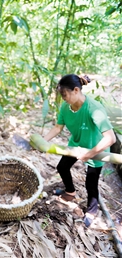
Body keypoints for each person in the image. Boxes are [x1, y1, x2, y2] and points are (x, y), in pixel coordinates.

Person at [43, 74, 115, 227]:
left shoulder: (94, 109)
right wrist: (43, 141)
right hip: (76, 144)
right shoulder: (65, 107)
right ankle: (70, 192)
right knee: (62, 167)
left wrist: (89, 154)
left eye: (65, 95)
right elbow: (57, 127)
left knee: (91, 182)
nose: (63, 98)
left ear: (76, 90)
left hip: (96, 148)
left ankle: (92, 210)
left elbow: (110, 138)